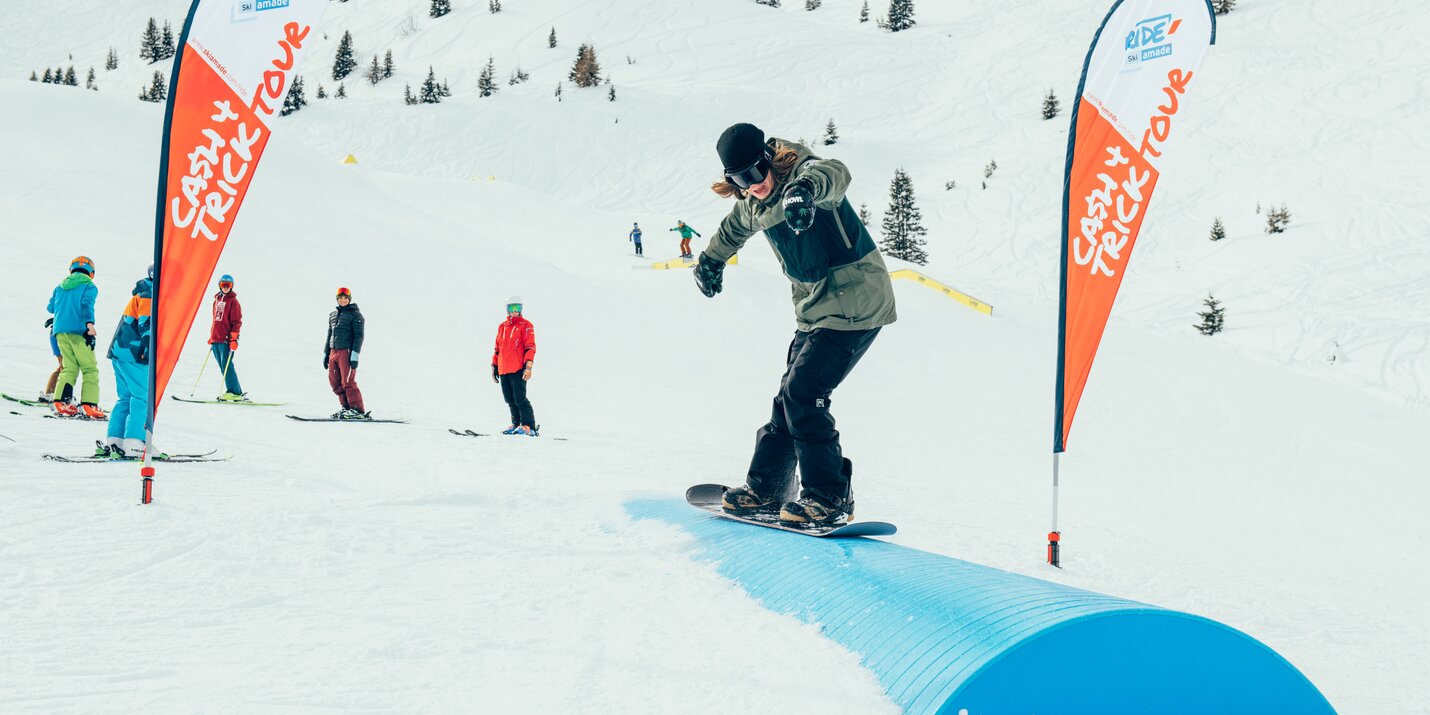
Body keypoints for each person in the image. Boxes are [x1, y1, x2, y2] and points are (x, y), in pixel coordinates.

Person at [693, 123, 897, 527]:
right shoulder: (754, 202)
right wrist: (711, 259)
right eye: (740, 180)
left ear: (769, 158)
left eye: (756, 172)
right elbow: (733, 229)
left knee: (805, 394)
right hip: (815, 309)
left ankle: (829, 497)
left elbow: (835, 173)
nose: (753, 185)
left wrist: (803, 191)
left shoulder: (805, 176)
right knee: (789, 398)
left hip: (856, 301)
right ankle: (769, 489)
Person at [100, 265, 155, 458]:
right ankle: (134, 442)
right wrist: (148, 347)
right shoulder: (149, 294)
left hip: (119, 352)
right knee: (142, 397)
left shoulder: (142, 291)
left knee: (125, 397)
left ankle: (115, 441)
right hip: (134, 353)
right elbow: (146, 322)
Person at [47, 256, 107, 419]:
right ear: (91, 273)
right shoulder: (89, 286)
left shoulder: (60, 287)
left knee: (69, 367)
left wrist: (65, 307)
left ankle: (60, 403)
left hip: (60, 331)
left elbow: (50, 307)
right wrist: (90, 324)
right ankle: (89, 405)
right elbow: (87, 305)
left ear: (71, 270)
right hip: (79, 331)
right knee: (89, 368)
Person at [491, 296, 537, 436]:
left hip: (518, 368)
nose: (515, 311)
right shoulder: (502, 327)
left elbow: (530, 347)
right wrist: (494, 366)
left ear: (521, 309)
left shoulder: (526, 325)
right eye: (512, 308)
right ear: (507, 309)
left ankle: (528, 426)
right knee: (509, 399)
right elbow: (497, 349)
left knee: (520, 398)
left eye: (518, 307)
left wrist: (528, 367)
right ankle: (516, 424)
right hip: (504, 368)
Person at [324, 287, 367, 419]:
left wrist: (355, 354)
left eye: (345, 298)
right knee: (335, 382)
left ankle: (357, 410)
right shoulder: (333, 315)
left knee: (347, 381)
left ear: (349, 299)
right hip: (333, 351)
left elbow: (359, 336)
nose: (343, 300)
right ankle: (346, 407)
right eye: (340, 298)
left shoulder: (356, 315)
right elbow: (330, 334)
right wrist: (326, 352)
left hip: (346, 352)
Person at [208, 274, 247, 402]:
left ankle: (235, 392)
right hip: (216, 340)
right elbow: (216, 321)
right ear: (219, 285)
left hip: (226, 340)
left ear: (232, 286)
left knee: (227, 366)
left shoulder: (233, 302)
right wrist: (212, 336)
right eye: (223, 284)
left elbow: (236, 322)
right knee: (222, 366)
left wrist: (234, 339)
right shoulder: (216, 300)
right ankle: (235, 391)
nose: (225, 287)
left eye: (228, 285)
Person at [40, 317, 62, 402]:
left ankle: (51, 393)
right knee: (64, 367)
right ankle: (50, 394)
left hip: (57, 333)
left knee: (63, 367)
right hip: (60, 336)